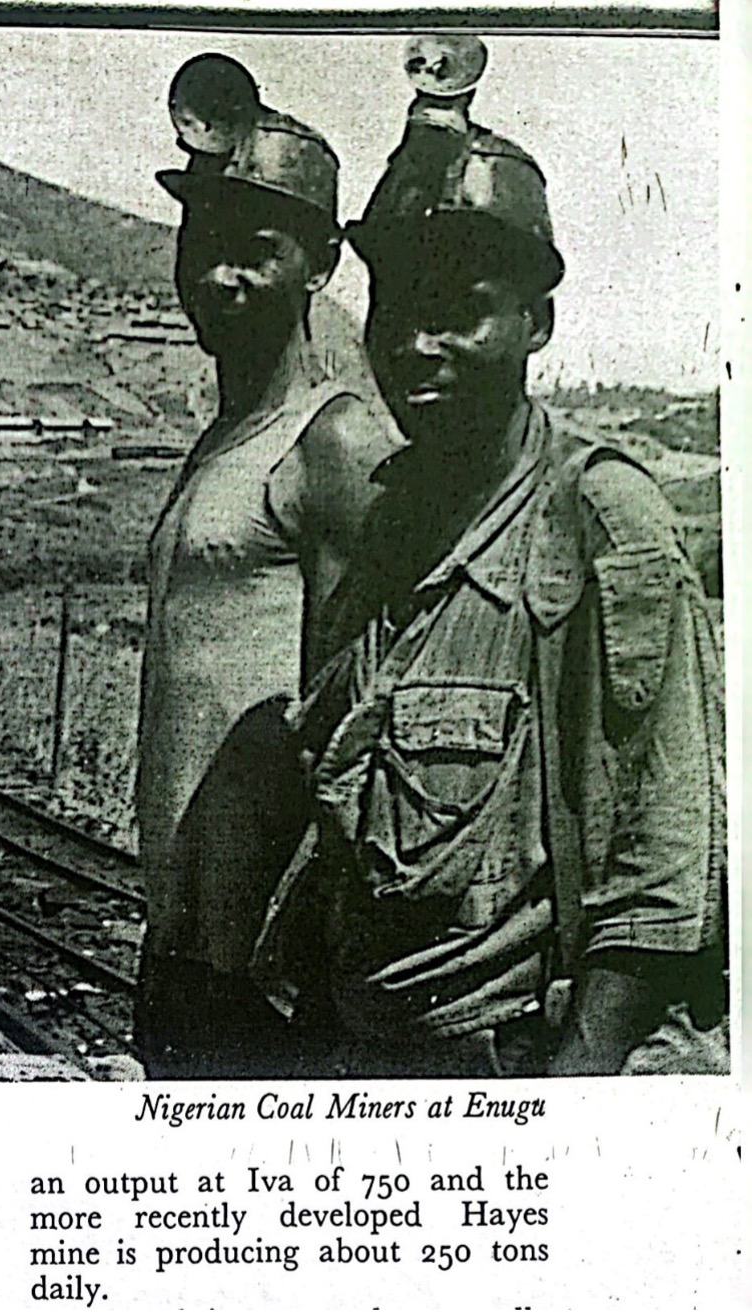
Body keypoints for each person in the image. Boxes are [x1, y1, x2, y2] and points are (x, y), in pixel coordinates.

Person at [256, 37, 726, 1078]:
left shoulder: (601, 520)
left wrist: (562, 1112)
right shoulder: (390, 517)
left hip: (510, 1074)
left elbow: (661, 878)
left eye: (458, 312)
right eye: (397, 311)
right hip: (360, 1059)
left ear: (535, 322)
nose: (416, 347)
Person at [134, 54, 397, 1078]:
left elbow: (351, 728)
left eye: (256, 250)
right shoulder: (223, 442)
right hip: (183, 946)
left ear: (319, 264)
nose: (219, 276)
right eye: (200, 246)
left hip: (255, 975)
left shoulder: (331, 444)